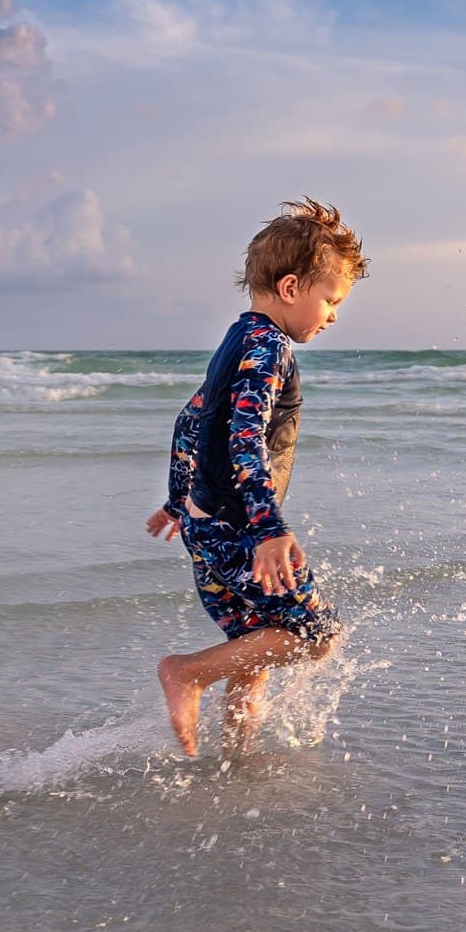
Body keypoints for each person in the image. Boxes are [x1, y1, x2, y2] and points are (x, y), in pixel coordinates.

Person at [145, 198, 367, 755]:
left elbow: (192, 417)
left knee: (255, 645)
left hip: (207, 525)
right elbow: (244, 437)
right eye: (331, 300)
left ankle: (236, 764)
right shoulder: (268, 349)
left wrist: (179, 499)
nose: (334, 314)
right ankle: (188, 672)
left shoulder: (236, 341)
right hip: (241, 530)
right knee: (317, 637)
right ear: (292, 288)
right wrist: (268, 528)